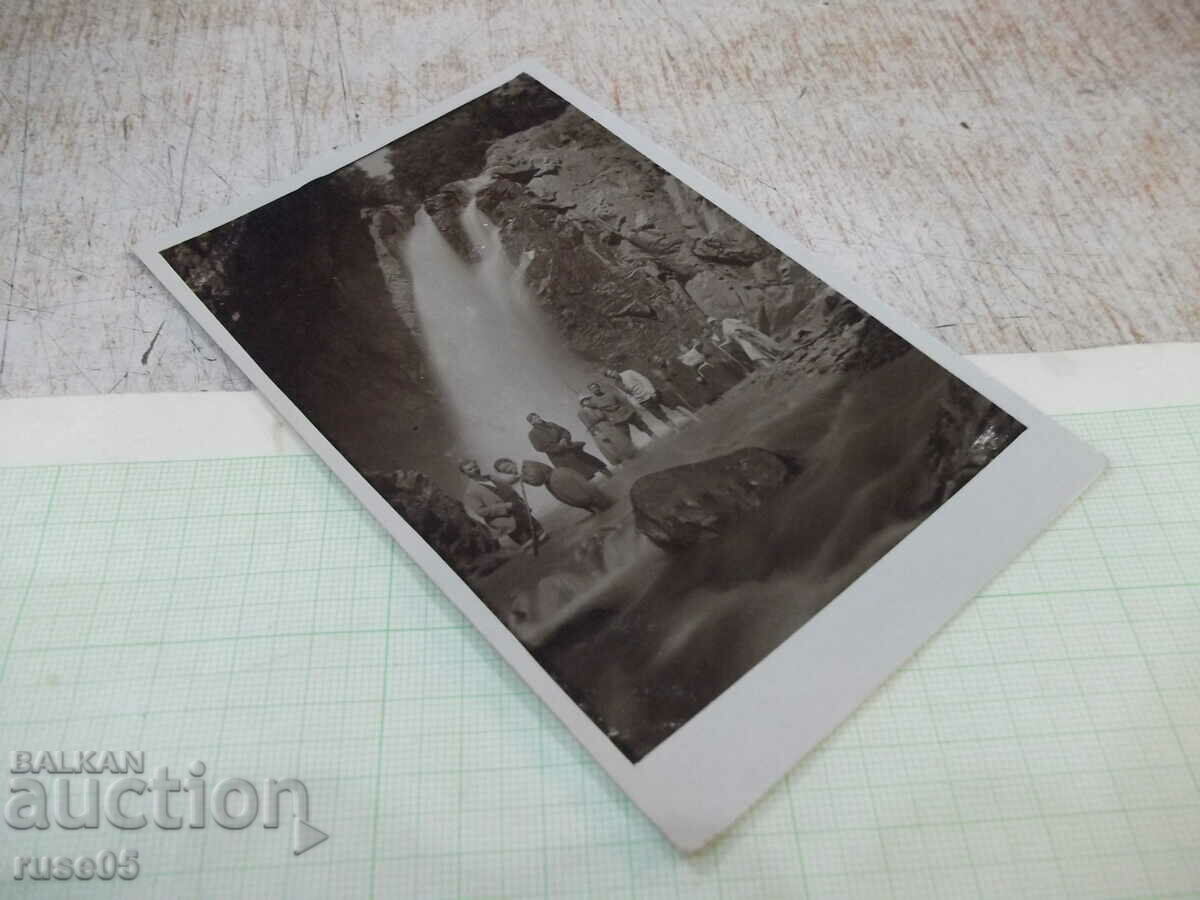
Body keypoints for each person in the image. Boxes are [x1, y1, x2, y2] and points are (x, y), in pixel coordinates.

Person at [526, 413, 610, 479]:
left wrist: (564, 439)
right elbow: (539, 447)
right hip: (559, 456)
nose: (539, 418)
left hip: (570, 447)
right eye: (536, 418)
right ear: (532, 422)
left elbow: (564, 431)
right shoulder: (533, 434)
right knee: (577, 474)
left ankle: (607, 473)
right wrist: (558, 447)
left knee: (591, 461)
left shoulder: (551, 424)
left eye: (538, 416)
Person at [516, 459, 613, 515]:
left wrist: (524, 479)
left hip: (557, 479)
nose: (509, 470)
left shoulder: (526, 466)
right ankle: (604, 508)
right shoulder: (525, 467)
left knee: (581, 495)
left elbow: (538, 480)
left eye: (507, 467)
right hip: (557, 477)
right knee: (579, 495)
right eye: (506, 471)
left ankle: (606, 507)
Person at [459, 459, 523, 544]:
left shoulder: (490, 477)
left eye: (475, 466)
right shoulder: (470, 492)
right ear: (465, 473)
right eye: (470, 469)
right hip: (509, 522)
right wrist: (505, 507)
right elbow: (481, 511)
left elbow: (506, 484)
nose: (475, 470)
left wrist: (518, 476)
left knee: (543, 539)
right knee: (530, 547)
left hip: (521, 513)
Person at [604, 367, 677, 432]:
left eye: (612, 373)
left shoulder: (628, 373)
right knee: (660, 415)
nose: (612, 375)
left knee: (673, 405)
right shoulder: (617, 384)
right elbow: (628, 395)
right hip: (643, 401)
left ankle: (687, 416)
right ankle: (675, 429)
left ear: (615, 370)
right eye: (610, 376)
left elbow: (643, 379)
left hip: (651, 393)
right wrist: (637, 404)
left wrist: (652, 392)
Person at [582, 381, 654, 441]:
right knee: (625, 437)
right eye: (593, 389)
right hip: (616, 419)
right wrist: (584, 404)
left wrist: (634, 411)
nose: (595, 389)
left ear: (599, 387)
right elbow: (589, 409)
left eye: (596, 387)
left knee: (643, 426)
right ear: (591, 391)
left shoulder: (610, 393)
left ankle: (654, 437)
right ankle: (633, 451)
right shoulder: (593, 401)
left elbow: (624, 401)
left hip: (626, 413)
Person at [577, 394, 636, 465]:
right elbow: (588, 424)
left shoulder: (595, 407)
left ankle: (630, 454)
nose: (587, 401)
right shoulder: (582, 412)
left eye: (588, 399)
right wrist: (597, 433)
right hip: (598, 428)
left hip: (608, 424)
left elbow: (606, 414)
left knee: (620, 439)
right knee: (609, 446)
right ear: (582, 403)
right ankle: (620, 460)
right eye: (584, 400)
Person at [717, 315, 782, 368]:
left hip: (746, 333)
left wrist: (741, 330)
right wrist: (721, 345)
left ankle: (779, 351)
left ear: (718, 320)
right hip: (742, 340)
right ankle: (772, 361)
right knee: (754, 351)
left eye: (715, 322)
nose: (716, 324)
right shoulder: (724, 332)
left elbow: (739, 322)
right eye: (713, 325)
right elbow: (729, 340)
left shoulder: (726, 321)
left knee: (762, 342)